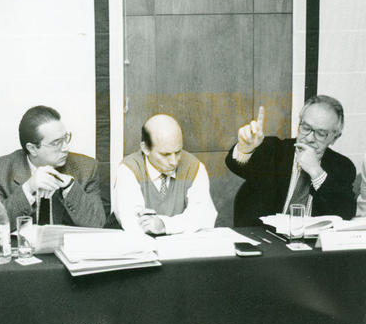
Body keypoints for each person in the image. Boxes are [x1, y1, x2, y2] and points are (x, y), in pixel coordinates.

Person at [226, 96, 357, 226]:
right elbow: (236, 166)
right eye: (306, 128)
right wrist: (245, 149)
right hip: (264, 235)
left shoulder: (342, 166)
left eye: (321, 133)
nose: (310, 138)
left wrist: (316, 173)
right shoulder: (273, 150)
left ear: (335, 137)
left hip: (312, 238)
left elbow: (345, 213)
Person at [0, 105, 106, 229]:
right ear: (32, 149)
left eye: (65, 138)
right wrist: (28, 189)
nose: (65, 148)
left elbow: (98, 224)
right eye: (56, 143)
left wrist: (70, 188)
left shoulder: (86, 168)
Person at [113, 114, 217, 234]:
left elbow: (204, 217)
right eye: (165, 154)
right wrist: (181, 224)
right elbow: (132, 222)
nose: (174, 161)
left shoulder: (194, 166)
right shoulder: (128, 168)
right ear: (145, 148)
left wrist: (164, 225)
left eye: (178, 152)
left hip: (179, 243)